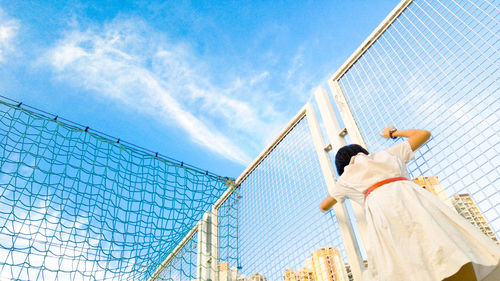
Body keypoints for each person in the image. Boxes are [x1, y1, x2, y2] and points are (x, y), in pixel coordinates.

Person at [320, 126, 500, 281]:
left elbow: (324, 205)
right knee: (449, 247)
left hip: (385, 217)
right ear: (364, 153)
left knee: (404, 263)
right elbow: (423, 134)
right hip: (416, 202)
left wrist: (338, 193)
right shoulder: (385, 155)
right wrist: (393, 133)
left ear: (341, 167)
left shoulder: (344, 180)